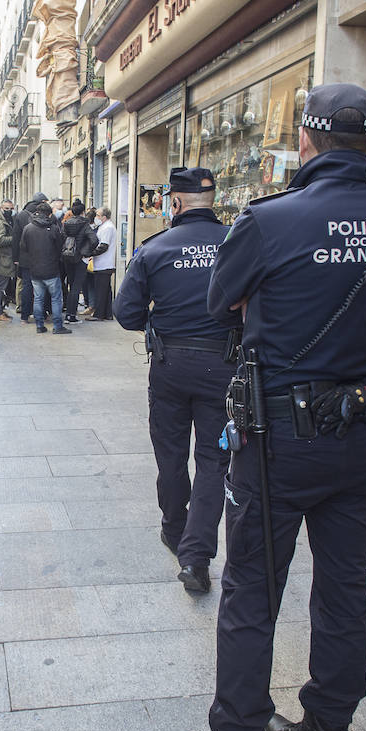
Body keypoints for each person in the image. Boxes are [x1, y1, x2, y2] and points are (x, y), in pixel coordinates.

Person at [176, 84, 366, 731]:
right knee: (346, 591)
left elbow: (219, 297)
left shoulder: (270, 219)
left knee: (253, 594)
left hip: (279, 442)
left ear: (307, 142)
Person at [115, 167, 235, 599]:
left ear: (175, 203)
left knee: (170, 452)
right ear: (213, 199)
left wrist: (160, 322)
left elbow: (126, 313)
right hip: (223, 365)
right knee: (212, 461)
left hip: (169, 363)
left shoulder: (154, 249)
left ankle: (173, 526)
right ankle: (196, 557)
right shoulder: (237, 242)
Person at [19, 200, 68, 334]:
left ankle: (39, 325)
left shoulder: (28, 228)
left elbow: (23, 247)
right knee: (56, 298)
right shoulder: (53, 229)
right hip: (51, 269)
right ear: (49, 214)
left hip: (34, 269)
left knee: (38, 298)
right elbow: (59, 247)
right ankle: (58, 326)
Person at [60, 201, 98, 324]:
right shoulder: (85, 224)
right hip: (80, 259)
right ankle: (71, 315)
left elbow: (62, 238)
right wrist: (85, 252)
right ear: (82, 212)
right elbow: (94, 240)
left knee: (71, 286)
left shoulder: (66, 223)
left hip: (68, 256)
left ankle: (68, 315)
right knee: (76, 287)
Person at [13, 193, 45, 322]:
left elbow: (15, 238)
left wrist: (16, 257)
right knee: (41, 286)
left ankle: (25, 315)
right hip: (41, 258)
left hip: (25, 258)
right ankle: (40, 314)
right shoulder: (45, 215)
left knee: (26, 286)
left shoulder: (21, 215)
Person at [87, 207, 116, 320]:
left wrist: (90, 253)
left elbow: (103, 246)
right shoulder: (104, 226)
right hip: (102, 263)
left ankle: (99, 314)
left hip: (104, 263)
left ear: (104, 217)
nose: (96, 217)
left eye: (98, 215)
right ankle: (107, 313)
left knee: (101, 290)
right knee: (105, 290)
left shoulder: (108, 227)